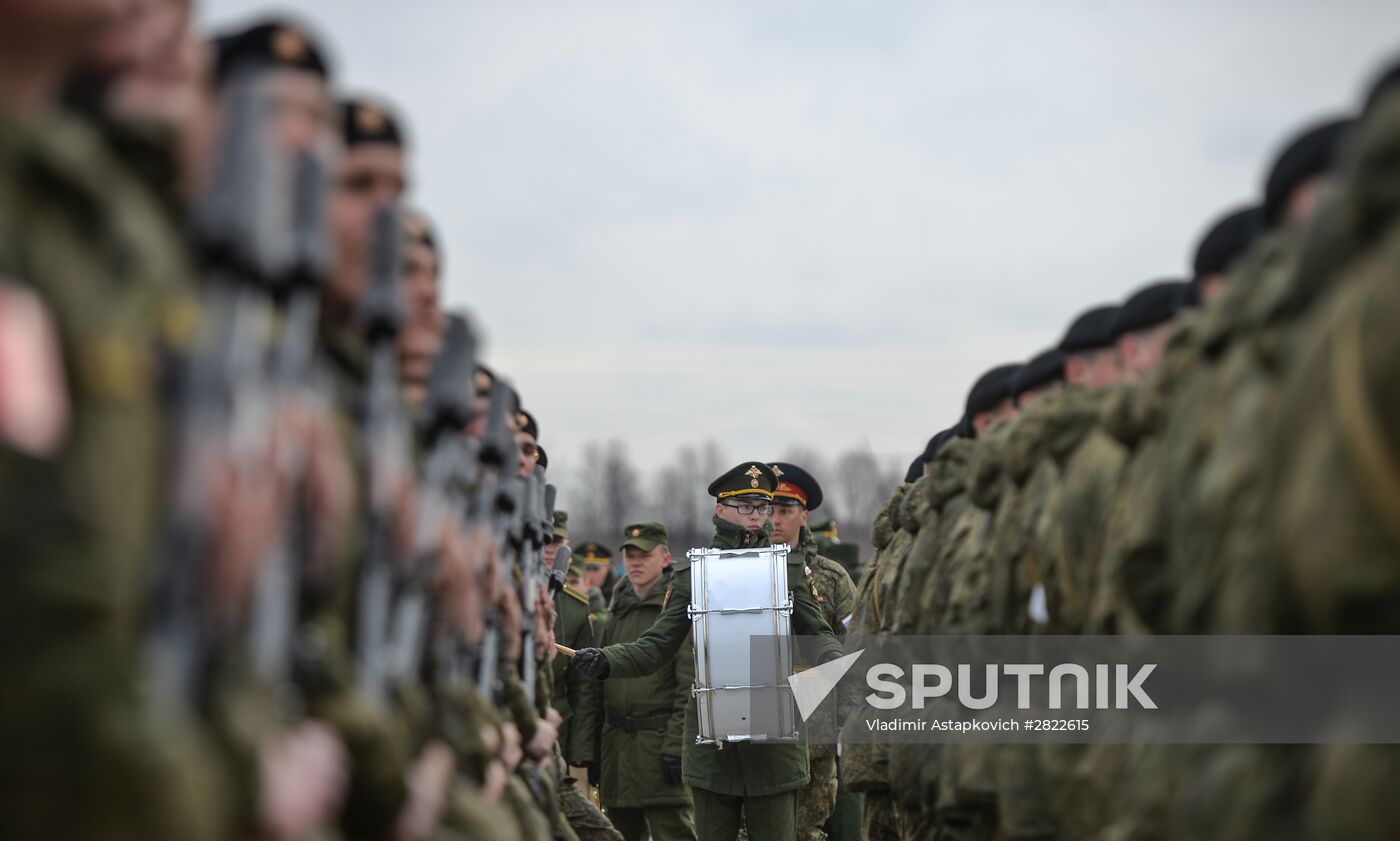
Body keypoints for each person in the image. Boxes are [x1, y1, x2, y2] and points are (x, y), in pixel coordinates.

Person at [573, 462, 844, 841]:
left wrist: (834, 661)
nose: (757, 516)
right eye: (746, 506)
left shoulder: (785, 570)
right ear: (720, 509)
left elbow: (818, 634)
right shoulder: (694, 574)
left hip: (775, 745)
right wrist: (607, 660)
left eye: (763, 506)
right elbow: (656, 645)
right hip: (712, 745)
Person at [580, 521, 698, 841]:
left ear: (664, 559)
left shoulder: (676, 611)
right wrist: (590, 750)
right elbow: (595, 689)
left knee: (674, 832)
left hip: (659, 750)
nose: (634, 562)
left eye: (644, 555)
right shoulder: (616, 613)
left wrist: (677, 748)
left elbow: (688, 685)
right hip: (618, 752)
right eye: (630, 555)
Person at [769, 462, 856, 841]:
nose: (774, 520)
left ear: (804, 516)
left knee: (807, 831)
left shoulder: (830, 578)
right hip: (753, 731)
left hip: (814, 737)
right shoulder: (736, 572)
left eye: (785, 511)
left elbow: (856, 650)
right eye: (768, 509)